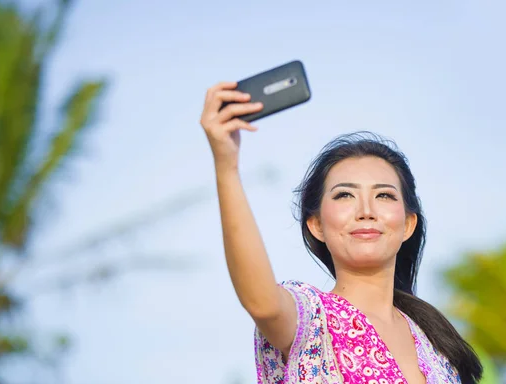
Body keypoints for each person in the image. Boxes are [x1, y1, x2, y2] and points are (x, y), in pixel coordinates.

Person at [200, 81, 483, 384]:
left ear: (408, 224)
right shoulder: (311, 319)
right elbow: (262, 304)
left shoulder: (437, 347)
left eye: (384, 195)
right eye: (345, 195)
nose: (366, 210)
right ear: (316, 224)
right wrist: (226, 165)